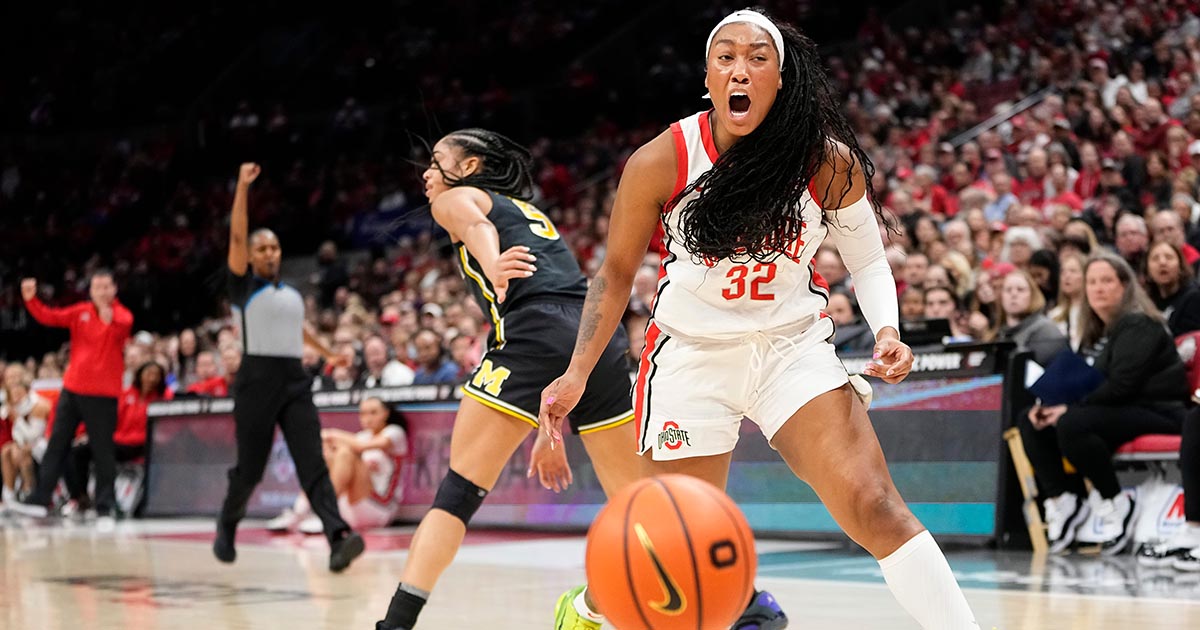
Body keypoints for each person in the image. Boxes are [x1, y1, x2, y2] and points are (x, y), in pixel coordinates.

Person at [539, 9, 977, 630]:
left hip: (790, 347)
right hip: (692, 354)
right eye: (725, 57)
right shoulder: (662, 160)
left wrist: (887, 331)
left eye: (756, 57)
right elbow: (612, 276)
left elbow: (869, 262)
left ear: (780, 76)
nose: (739, 68)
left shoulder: (827, 161)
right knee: (670, 548)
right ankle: (587, 609)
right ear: (709, 79)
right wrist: (578, 373)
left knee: (875, 505)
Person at [376, 128, 651, 630]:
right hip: (597, 336)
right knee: (643, 504)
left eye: (438, 161)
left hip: (535, 331)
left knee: (458, 493)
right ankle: (735, 604)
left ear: (471, 167)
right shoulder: (534, 214)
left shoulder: (459, 198)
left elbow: (474, 223)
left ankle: (394, 625)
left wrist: (492, 263)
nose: (427, 174)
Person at [213, 163, 364, 573]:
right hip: (256, 380)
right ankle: (227, 524)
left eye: (274, 248)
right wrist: (243, 187)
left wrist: (330, 354)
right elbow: (238, 234)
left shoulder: (291, 295)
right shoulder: (244, 288)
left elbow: (299, 331)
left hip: (294, 380)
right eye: (261, 249)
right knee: (250, 470)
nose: (268, 254)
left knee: (312, 461)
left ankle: (338, 536)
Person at [1019, 252, 1188, 555]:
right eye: (1092, 282)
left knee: (1072, 422)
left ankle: (1116, 501)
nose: (1098, 288)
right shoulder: (1098, 332)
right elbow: (1089, 383)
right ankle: (1064, 501)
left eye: (1107, 281)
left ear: (1125, 286)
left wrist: (1069, 408)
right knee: (1030, 421)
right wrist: (1050, 404)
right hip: (1120, 409)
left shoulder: (1139, 323)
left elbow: (1122, 386)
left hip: (1160, 410)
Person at [10, 270, 133, 528]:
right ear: (90, 290)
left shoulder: (122, 316)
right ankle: (40, 500)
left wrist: (105, 318)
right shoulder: (80, 312)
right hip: (73, 389)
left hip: (102, 394)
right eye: (96, 287)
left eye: (105, 286)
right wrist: (31, 300)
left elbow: (117, 331)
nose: (100, 291)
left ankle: (106, 505)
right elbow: (50, 317)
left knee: (102, 451)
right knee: (57, 445)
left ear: (114, 290)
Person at [267, 396, 408, 534]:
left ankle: (327, 512)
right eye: (363, 413)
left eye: (373, 412)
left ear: (386, 413)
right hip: (351, 507)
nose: (368, 418)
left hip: (380, 508)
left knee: (345, 452)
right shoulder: (361, 435)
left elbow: (360, 446)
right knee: (327, 455)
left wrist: (331, 434)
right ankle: (299, 511)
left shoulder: (394, 432)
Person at [65, 360, 170, 515]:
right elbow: (109, 420)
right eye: (148, 373)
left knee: (104, 453)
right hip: (117, 441)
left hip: (141, 445)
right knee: (77, 451)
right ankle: (80, 497)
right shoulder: (126, 394)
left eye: (156, 375)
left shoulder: (163, 398)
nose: (151, 378)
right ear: (140, 375)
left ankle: (109, 501)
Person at [987, 270, 1068, 366]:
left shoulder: (1046, 331)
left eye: (1020, 289)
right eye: (1008, 290)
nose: (1014, 294)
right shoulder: (998, 334)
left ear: (1032, 295)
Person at [0, 364, 50, 507]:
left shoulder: (37, 405)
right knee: (6, 451)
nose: (13, 383)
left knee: (18, 452)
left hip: (41, 445)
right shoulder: (11, 404)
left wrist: (16, 419)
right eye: (9, 378)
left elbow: (33, 436)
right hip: (21, 444)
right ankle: (8, 494)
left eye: (16, 379)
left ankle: (28, 491)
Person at [1144, 240, 1200, 337]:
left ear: (1180, 267)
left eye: (1169, 257)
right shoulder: (1145, 303)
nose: (1162, 263)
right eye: (1155, 259)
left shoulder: (1194, 298)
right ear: (1147, 270)